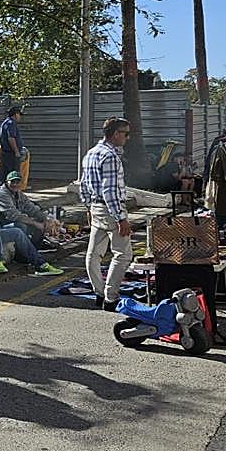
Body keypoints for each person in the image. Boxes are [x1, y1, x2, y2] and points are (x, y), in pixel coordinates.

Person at [79, 117, 132, 311]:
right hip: (110, 209)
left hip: (96, 207)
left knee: (93, 254)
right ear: (115, 134)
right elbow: (110, 191)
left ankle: (99, 292)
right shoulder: (110, 156)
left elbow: (83, 185)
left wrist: (88, 207)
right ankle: (111, 297)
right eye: (125, 133)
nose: (127, 137)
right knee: (123, 254)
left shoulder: (91, 153)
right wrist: (121, 217)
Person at [0, 171, 62, 249]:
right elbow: (15, 216)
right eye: (12, 182)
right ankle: (22, 252)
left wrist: (47, 219)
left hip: (11, 221)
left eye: (18, 182)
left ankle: (35, 246)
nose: (15, 184)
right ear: (7, 182)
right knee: (22, 225)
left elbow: (32, 208)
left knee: (40, 220)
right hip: (0, 225)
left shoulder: (19, 194)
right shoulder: (2, 195)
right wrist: (35, 223)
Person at [0, 106, 26, 181]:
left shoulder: (6, 122)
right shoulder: (11, 123)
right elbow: (11, 138)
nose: (20, 117)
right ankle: (13, 190)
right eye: (19, 114)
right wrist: (16, 152)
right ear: (16, 114)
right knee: (13, 174)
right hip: (11, 154)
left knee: (7, 173)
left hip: (6, 153)